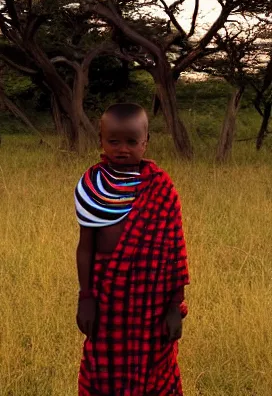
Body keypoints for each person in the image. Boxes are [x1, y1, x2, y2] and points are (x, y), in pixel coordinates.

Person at [74, 103, 189, 396]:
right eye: (113, 141)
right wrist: (85, 298)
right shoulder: (91, 186)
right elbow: (85, 248)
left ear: (146, 142)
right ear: (100, 141)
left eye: (131, 141)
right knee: (102, 370)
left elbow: (175, 250)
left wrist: (175, 305)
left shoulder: (161, 188)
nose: (122, 149)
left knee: (156, 373)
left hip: (154, 304)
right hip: (106, 300)